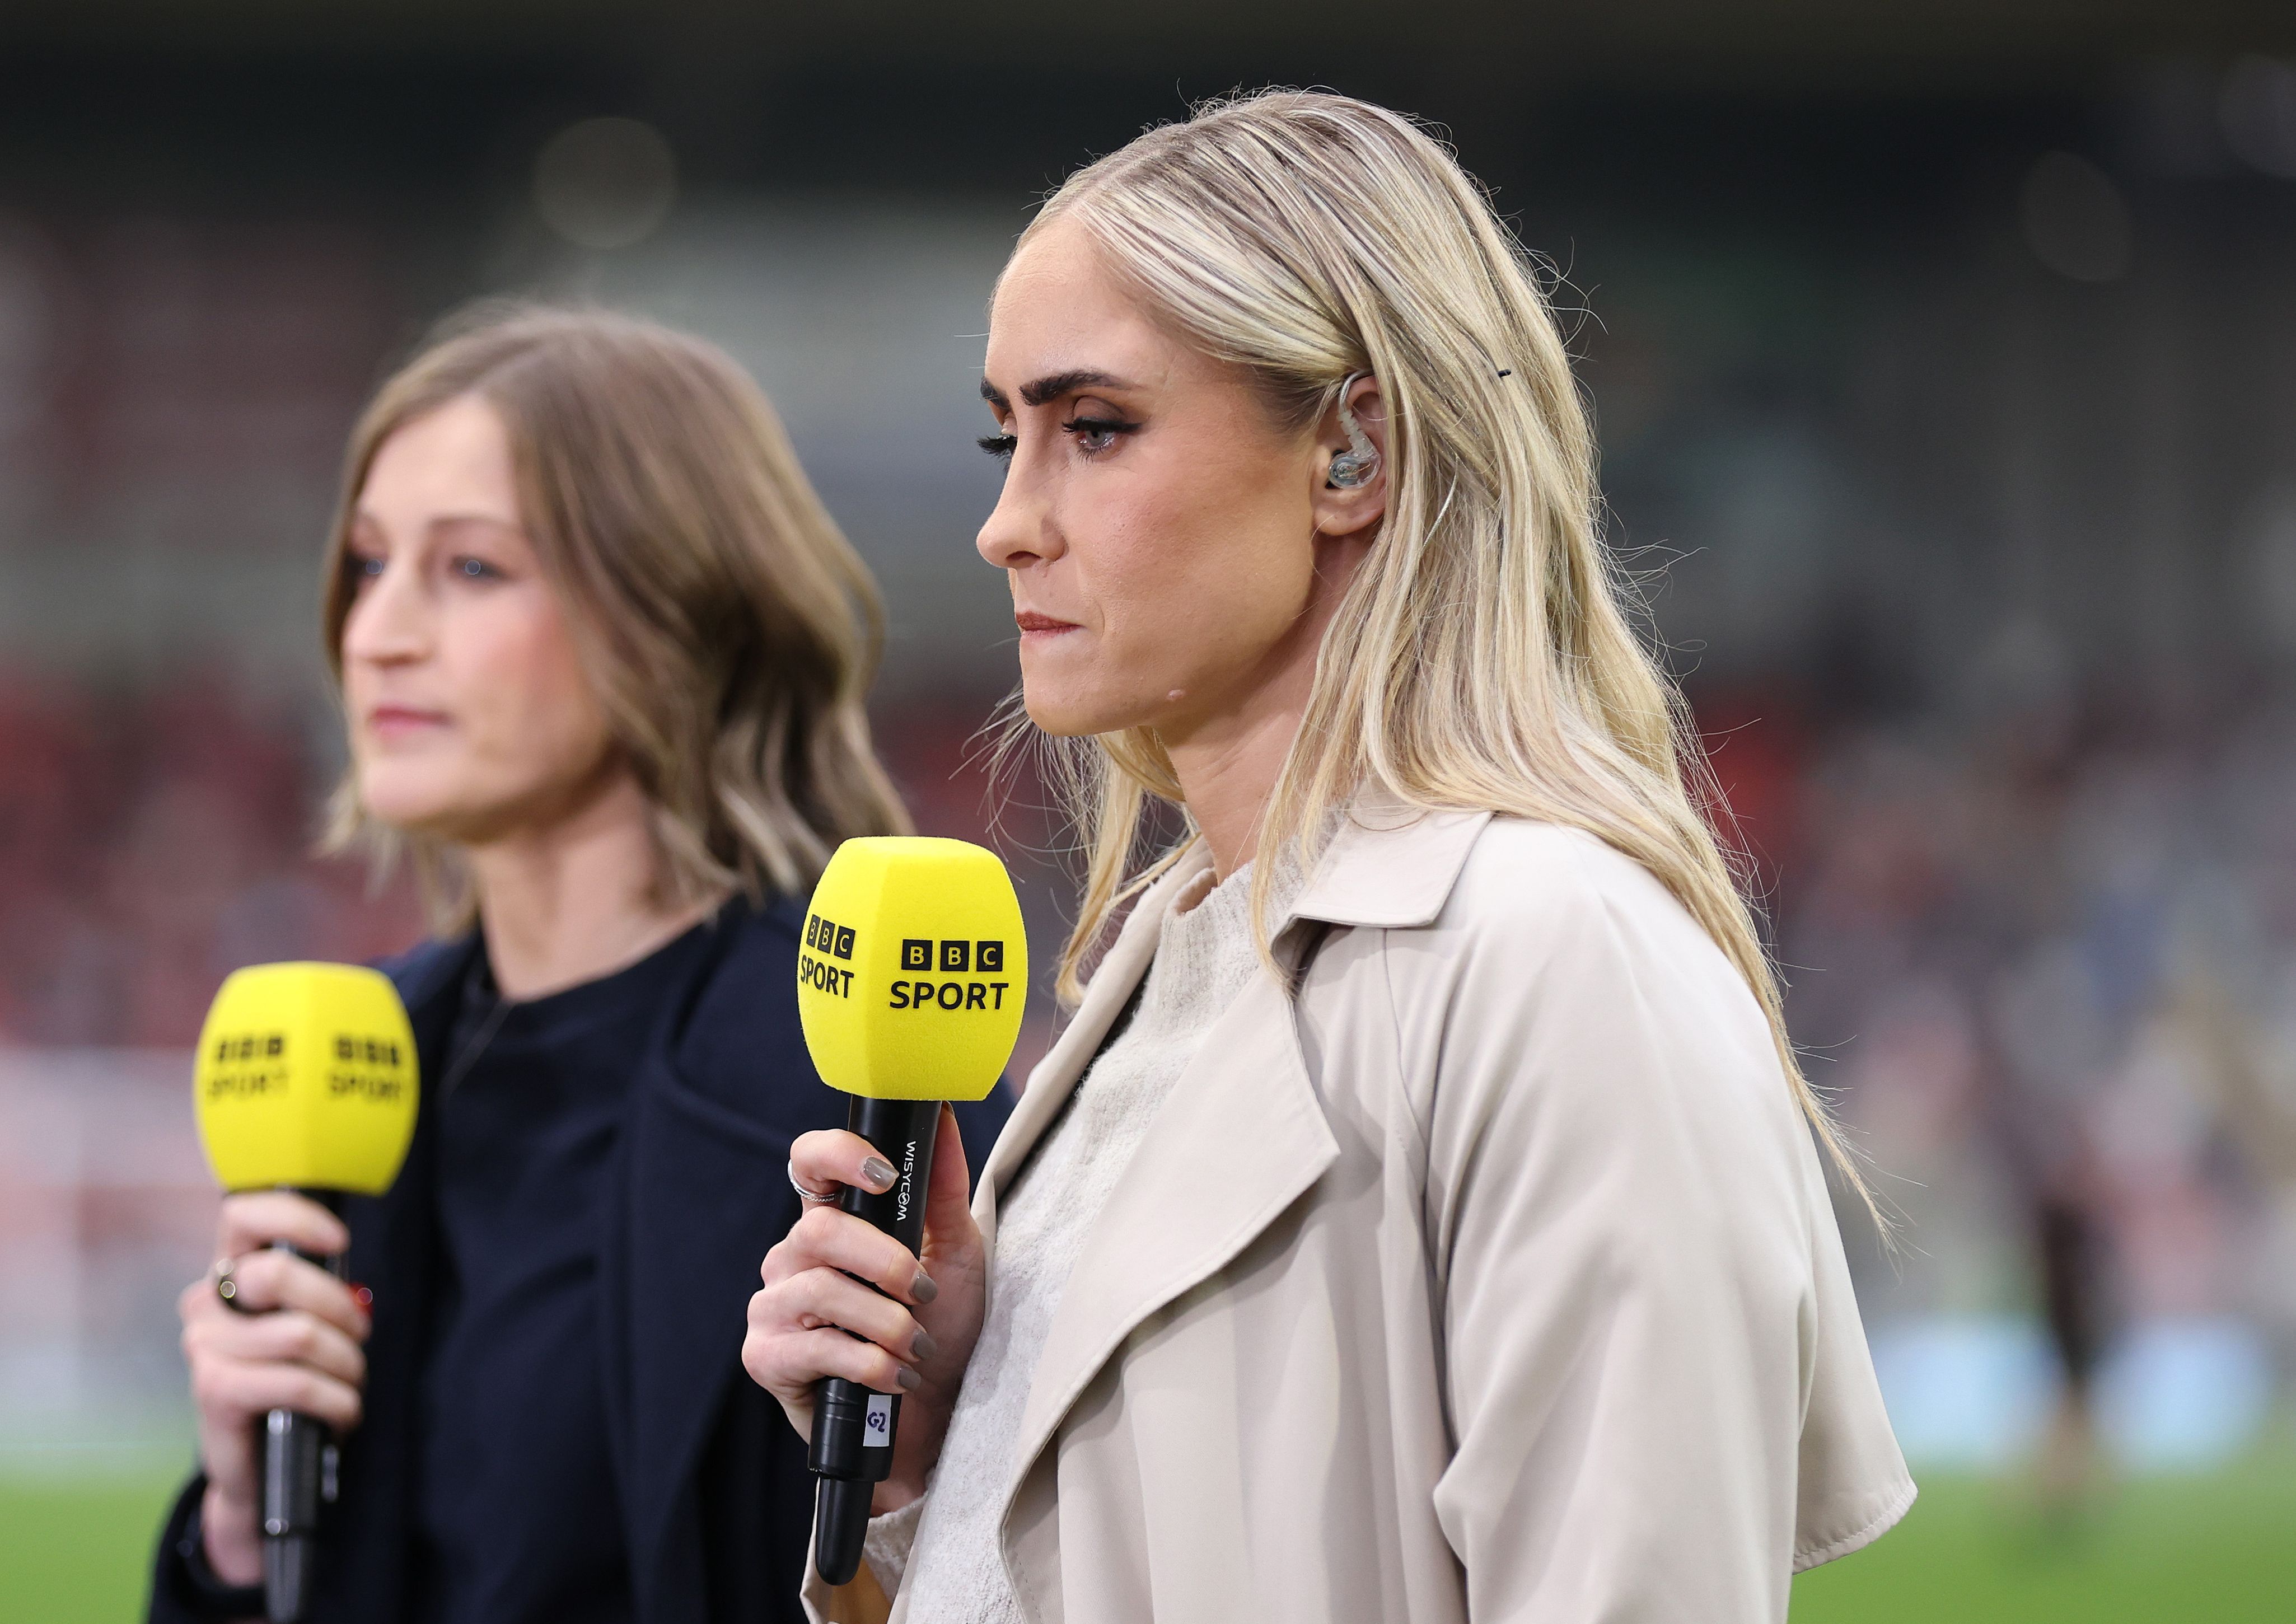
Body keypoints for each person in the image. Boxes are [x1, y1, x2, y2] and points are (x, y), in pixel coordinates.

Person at [745, 91, 1915, 1624]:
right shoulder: (1170, 955)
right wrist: (934, 1450)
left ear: (1350, 453)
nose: (1005, 521)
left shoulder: (1553, 958)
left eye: (1091, 428)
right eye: (1004, 434)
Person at [147, 305, 1007, 1624]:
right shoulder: (365, 1062)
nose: (377, 631)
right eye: (368, 565)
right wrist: (233, 1531)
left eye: (472, 569)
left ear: (671, 609)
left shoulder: (865, 1076)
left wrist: (907, 1485)